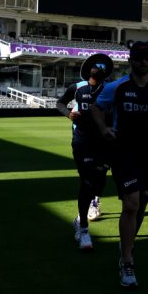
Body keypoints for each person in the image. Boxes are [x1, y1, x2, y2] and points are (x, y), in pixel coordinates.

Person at [92, 41, 148, 288]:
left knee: (141, 204)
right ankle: (126, 260)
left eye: (147, 58)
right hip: (124, 152)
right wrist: (103, 128)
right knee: (131, 204)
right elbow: (96, 108)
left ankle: (127, 242)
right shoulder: (117, 87)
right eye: (139, 58)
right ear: (131, 60)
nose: (143, 62)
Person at [56, 53, 113, 249]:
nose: (98, 68)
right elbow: (60, 103)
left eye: (102, 66)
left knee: (100, 179)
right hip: (82, 140)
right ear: (88, 68)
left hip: (104, 141)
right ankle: (84, 229)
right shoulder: (77, 87)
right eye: (95, 65)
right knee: (87, 181)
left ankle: (89, 208)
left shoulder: (110, 90)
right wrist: (68, 114)